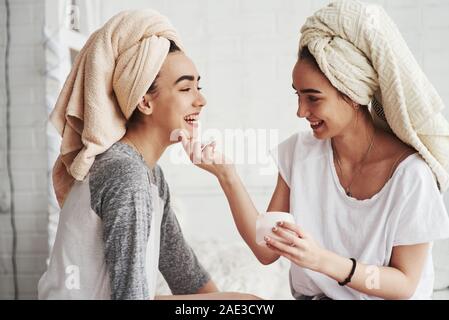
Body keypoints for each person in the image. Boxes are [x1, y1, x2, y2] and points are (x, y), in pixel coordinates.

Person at [183, 0, 449, 300]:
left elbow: (403, 285)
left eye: (313, 98)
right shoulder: (300, 153)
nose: (300, 111)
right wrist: (226, 175)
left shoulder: (412, 174)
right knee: (238, 303)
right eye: (298, 96)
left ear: (352, 94)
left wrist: (322, 261)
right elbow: (266, 251)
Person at [38, 10, 258, 300]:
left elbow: (184, 273)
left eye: (198, 86)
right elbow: (129, 294)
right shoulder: (123, 172)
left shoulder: (148, 172)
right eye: (186, 88)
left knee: (243, 304)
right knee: (247, 304)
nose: (200, 100)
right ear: (145, 101)